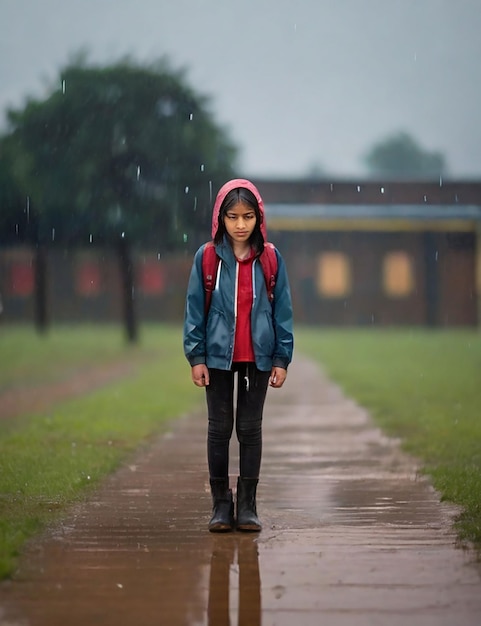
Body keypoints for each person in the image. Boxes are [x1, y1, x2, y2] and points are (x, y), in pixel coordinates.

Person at [183, 178, 294, 533]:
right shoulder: (207, 258)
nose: (241, 225)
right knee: (219, 429)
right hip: (216, 359)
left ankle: (247, 505)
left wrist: (281, 358)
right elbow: (194, 310)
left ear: (258, 218)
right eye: (233, 217)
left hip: (258, 359)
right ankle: (220, 505)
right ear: (221, 218)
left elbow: (284, 313)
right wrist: (196, 356)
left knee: (249, 429)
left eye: (248, 216)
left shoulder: (271, 259)